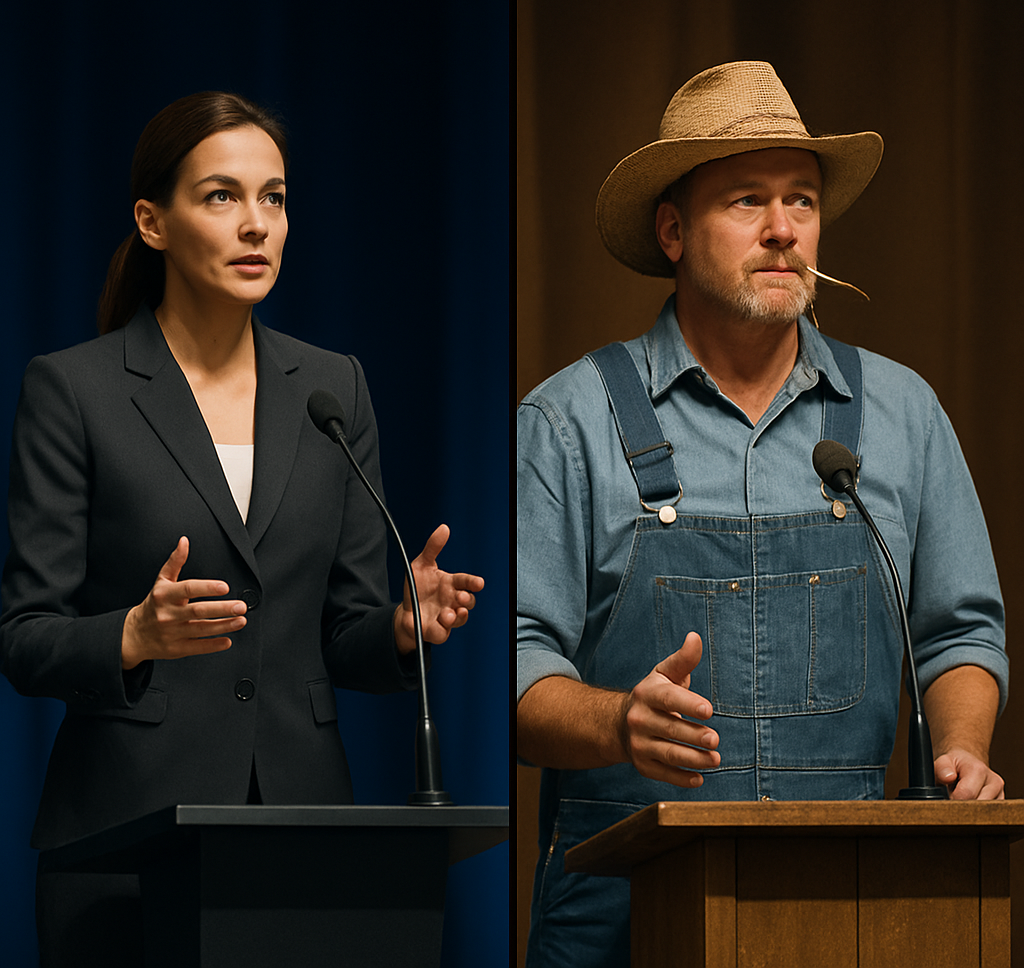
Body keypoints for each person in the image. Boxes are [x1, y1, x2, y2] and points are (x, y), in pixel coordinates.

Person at [516, 61, 1008, 966]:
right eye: (747, 200)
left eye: (803, 202)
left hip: (850, 894)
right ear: (672, 229)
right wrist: (619, 720)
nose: (785, 231)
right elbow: (515, 670)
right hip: (622, 907)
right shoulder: (568, 420)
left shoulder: (904, 414)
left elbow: (960, 632)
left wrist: (965, 750)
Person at [0, 91, 484, 966]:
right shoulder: (74, 391)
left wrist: (403, 627)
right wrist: (134, 636)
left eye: (276, 197)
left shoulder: (333, 388)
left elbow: (343, 634)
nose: (257, 224)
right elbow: (26, 638)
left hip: (300, 836)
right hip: (124, 841)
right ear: (153, 221)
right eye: (222, 196)